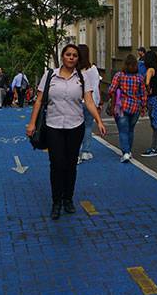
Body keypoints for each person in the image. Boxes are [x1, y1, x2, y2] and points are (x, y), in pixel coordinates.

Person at [26, 44, 106, 220]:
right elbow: (39, 101)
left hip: (75, 126)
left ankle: (67, 199)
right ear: (62, 57)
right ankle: (56, 202)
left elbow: (89, 101)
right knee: (56, 165)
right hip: (53, 126)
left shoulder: (82, 77)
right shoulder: (49, 76)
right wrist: (32, 123)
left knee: (70, 165)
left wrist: (99, 121)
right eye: (68, 54)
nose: (71, 58)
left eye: (75, 55)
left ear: (78, 59)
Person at [108, 54, 147, 163]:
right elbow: (143, 94)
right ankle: (129, 150)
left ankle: (125, 152)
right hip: (135, 107)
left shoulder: (119, 76)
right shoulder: (139, 78)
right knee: (131, 129)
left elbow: (111, 90)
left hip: (121, 107)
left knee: (123, 131)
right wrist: (143, 107)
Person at [77, 44, 101, 162]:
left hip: (76, 102)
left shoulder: (75, 70)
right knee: (88, 126)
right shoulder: (93, 69)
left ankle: (75, 153)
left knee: (75, 128)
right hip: (90, 102)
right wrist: (98, 102)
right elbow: (96, 87)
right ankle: (85, 151)